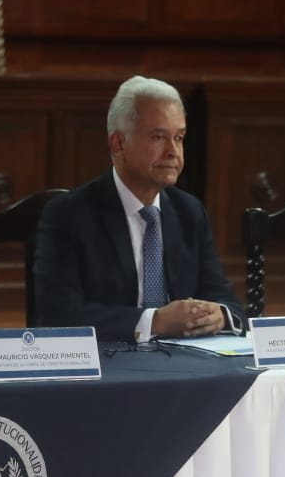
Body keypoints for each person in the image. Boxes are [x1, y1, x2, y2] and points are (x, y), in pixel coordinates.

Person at [33, 75, 243, 342]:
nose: (173, 152)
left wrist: (220, 314)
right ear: (118, 144)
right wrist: (154, 322)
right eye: (158, 137)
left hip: (184, 365)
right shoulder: (69, 215)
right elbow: (57, 315)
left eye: (179, 138)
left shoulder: (189, 212)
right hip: (109, 367)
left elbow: (229, 303)